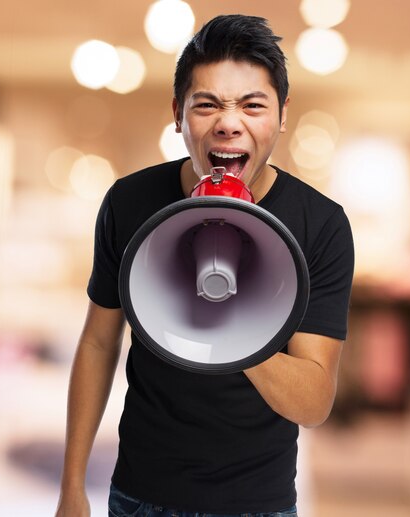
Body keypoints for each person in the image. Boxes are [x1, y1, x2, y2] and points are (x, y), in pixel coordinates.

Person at [55, 14, 354, 517]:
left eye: (253, 105)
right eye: (207, 104)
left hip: (257, 503)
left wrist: (235, 328)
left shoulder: (320, 225)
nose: (228, 122)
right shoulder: (130, 203)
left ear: (282, 114)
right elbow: (98, 341)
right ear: (178, 114)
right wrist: (71, 487)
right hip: (139, 495)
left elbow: (314, 402)